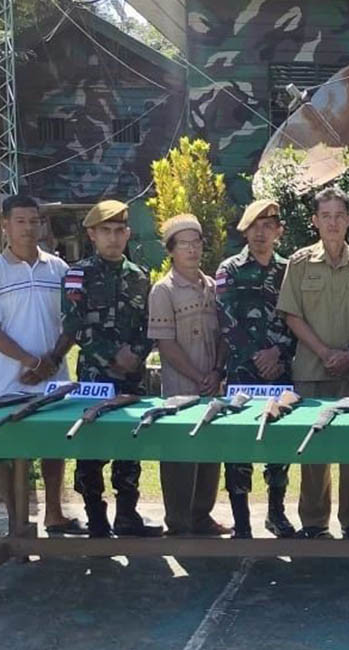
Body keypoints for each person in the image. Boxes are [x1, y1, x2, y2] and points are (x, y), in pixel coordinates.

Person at [0, 194, 84, 537]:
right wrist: (31, 361)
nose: (28, 228)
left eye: (34, 221)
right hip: (9, 381)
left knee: (53, 448)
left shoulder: (59, 269)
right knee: (11, 455)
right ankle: (18, 524)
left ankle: (54, 514)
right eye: (20, 221)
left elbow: (72, 322)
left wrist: (51, 361)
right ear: (5, 225)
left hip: (53, 379)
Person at [51, 200, 161, 538]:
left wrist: (136, 354)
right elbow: (74, 325)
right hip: (95, 376)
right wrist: (112, 355)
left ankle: (127, 515)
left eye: (119, 230)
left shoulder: (139, 276)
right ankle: (96, 517)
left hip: (131, 376)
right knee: (92, 445)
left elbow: (150, 324)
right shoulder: (77, 275)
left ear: (128, 233)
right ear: (92, 235)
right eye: (105, 231)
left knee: (130, 444)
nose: (113, 238)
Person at [277, 186, 349, 540]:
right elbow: (291, 314)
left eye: (339, 216)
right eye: (326, 216)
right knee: (313, 451)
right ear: (315, 221)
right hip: (312, 371)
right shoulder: (300, 263)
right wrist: (323, 352)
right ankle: (314, 523)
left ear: (348, 221)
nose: (332, 223)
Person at [216, 199, 297, 539]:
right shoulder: (230, 270)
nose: (260, 233)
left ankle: (276, 513)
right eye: (254, 226)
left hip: (281, 371)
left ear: (279, 231)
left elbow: (299, 319)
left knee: (278, 445)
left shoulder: (291, 270)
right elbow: (225, 320)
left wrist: (278, 353)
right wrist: (256, 357)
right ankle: (242, 521)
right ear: (245, 231)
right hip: (242, 373)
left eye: (268, 226)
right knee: (238, 448)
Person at [147, 214, 229, 537]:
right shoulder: (163, 291)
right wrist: (197, 376)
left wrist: (216, 371)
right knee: (180, 456)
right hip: (180, 389)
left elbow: (224, 335)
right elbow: (165, 345)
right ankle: (179, 524)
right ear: (171, 250)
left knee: (210, 453)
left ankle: (202, 517)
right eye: (184, 244)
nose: (192, 250)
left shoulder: (213, 287)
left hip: (212, 387)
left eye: (196, 243)